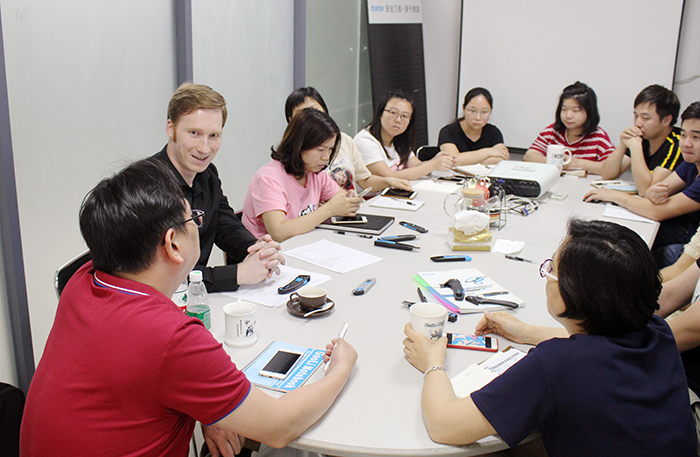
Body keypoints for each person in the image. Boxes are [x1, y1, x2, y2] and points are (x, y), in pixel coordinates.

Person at [20, 159, 357, 457]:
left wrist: (209, 408)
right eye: (193, 218)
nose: (198, 223)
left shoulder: (83, 280)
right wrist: (342, 367)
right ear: (173, 244)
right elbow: (279, 427)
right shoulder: (170, 337)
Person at [402, 218, 697, 456]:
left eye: (552, 269)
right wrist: (527, 332)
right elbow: (598, 348)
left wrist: (433, 362)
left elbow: (444, 425)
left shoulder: (555, 364)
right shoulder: (656, 330)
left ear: (575, 294)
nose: (546, 275)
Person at [153, 82, 285, 293]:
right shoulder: (148, 187)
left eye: (213, 135)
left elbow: (225, 225)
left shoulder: (207, 174)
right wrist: (238, 274)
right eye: (194, 133)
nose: (204, 148)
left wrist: (256, 249)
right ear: (171, 128)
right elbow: (166, 276)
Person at [584, 102, 700, 267]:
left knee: (626, 259)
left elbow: (656, 211)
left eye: (696, 137)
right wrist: (653, 192)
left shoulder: (675, 147)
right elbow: (652, 191)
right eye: (684, 135)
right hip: (685, 234)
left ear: (666, 120)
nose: (687, 143)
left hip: (688, 241)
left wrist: (614, 195)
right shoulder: (691, 163)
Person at [242, 108, 362, 242]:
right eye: (320, 150)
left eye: (330, 149)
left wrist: (349, 199)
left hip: (304, 244)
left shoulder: (315, 173)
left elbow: (340, 197)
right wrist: (329, 210)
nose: (326, 157)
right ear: (299, 145)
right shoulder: (269, 178)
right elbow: (278, 232)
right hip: (269, 250)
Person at [284, 86, 411, 193]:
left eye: (314, 110)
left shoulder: (344, 140)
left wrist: (388, 181)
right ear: (291, 121)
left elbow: (365, 180)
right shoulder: (293, 153)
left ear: (325, 111)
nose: (310, 117)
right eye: (302, 113)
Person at [354, 89, 455, 179]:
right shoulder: (365, 141)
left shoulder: (399, 139)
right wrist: (432, 165)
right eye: (393, 113)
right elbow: (389, 178)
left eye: (405, 116)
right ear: (380, 113)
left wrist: (434, 161)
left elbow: (416, 166)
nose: (398, 120)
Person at [601, 84, 682, 196]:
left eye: (645, 118)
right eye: (636, 116)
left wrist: (635, 147)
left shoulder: (678, 143)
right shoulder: (644, 136)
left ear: (666, 120)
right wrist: (622, 144)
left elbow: (646, 190)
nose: (638, 123)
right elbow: (606, 175)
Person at [523, 81, 614, 174]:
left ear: (589, 112)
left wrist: (579, 163)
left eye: (575, 111)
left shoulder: (599, 137)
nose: (568, 116)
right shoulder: (552, 132)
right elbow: (529, 156)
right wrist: (558, 162)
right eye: (564, 109)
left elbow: (611, 168)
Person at [437, 87, 509, 165]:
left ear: (490, 111)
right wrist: (489, 151)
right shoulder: (448, 132)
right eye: (472, 111)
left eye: (484, 112)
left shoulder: (493, 132)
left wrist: (465, 160)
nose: (478, 117)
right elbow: (453, 160)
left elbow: (503, 158)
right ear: (464, 109)